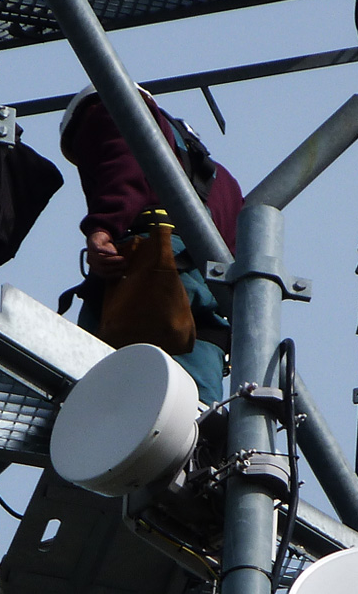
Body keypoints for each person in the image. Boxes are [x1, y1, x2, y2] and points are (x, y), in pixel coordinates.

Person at [59, 85, 242, 404]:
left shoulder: (107, 110)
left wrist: (103, 226)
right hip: (205, 327)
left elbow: (125, 161)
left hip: (147, 281)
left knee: (103, 399)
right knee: (195, 420)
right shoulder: (220, 179)